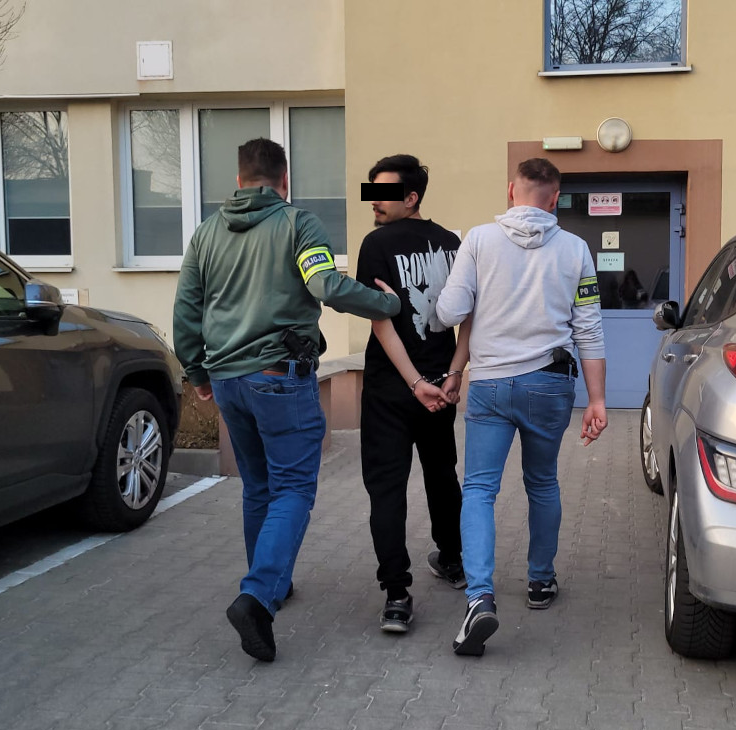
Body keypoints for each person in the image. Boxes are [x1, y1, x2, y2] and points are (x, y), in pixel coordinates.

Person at [173, 138, 401, 662]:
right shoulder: (299, 224)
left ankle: (270, 579)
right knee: (293, 487)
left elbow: (186, 308)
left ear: (238, 181)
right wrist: (386, 303)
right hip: (279, 375)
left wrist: (197, 372)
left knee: (258, 487)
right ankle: (258, 597)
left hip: (227, 380)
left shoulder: (205, 233)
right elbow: (325, 285)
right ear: (285, 180)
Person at [435, 157, 607, 657]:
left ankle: (479, 597)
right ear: (555, 199)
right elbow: (589, 328)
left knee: (479, 489)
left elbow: (449, 311)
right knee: (543, 483)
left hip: (489, 384)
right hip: (549, 385)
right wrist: (598, 399)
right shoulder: (576, 249)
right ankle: (539, 581)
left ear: (511, 190)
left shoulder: (479, 240)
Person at [355, 154, 469, 633]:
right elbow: (471, 318)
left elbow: (381, 322)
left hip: (393, 387)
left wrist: (416, 382)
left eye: (382, 194)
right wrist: (454, 373)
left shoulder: (376, 244)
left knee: (387, 488)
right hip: (439, 386)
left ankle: (397, 596)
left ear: (411, 197)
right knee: (442, 474)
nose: (374, 203)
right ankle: (454, 560)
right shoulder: (453, 245)